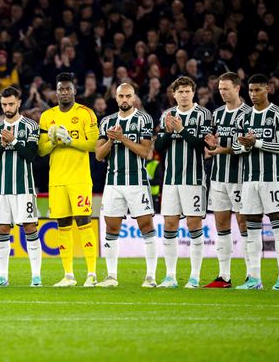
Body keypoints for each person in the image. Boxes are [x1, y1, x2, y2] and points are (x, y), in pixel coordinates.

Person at [37, 72, 99, 287]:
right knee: (62, 224)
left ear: (74, 91)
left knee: (83, 221)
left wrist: (70, 140)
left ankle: (91, 273)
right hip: (57, 180)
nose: (64, 92)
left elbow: (94, 145)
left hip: (79, 179)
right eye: (61, 89)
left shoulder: (86, 113)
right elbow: (42, 150)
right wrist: (55, 141)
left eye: (68, 89)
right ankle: (69, 276)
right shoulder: (47, 116)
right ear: (56, 92)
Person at [94, 83, 157, 288]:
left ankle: (151, 276)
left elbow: (145, 152)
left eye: (128, 96)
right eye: (121, 96)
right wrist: (111, 141)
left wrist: (122, 138)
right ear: (115, 97)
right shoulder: (107, 121)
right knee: (111, 227)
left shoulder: (143, 119)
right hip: (113, 184)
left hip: (137, 182)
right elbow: (99, 155)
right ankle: (111, 276)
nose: (124, 100)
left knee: (146, 226)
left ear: (134, 98)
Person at [233, 74, 279, 290]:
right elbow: (237, 148)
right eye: (250, 91)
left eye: (257, 90)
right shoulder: (243, 118)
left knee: (278, 225)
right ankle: (254, 278)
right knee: (252, 229)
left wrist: (255, 142)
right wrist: (246, 145)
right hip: (248, 181)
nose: (253, 94)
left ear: (268, 89)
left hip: (272, 180)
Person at [154, 76, 212, 289]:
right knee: (169, 225)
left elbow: (201, 146)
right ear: (174, 94)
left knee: (193, 225)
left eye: (188, 91)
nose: (184, 95)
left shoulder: (203, 115)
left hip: (194, 180)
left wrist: (181, 130)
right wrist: (169, 132)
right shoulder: (167, 115)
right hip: (170, 181)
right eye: (180, 92)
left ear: (193, 93)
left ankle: (194, 277)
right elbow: (159, 147)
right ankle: (170, 276)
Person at [0, 86, 43, 287]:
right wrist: (2, 144)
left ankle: (36, 276)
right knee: (1, 230)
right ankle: (2, 276)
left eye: (11, 104)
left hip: (24, 188)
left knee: (30, 228)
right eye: (4, 104)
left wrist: (15, 140)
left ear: (19, 102)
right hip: (1, 189)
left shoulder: (30, 126)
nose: (7, 107)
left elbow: (31, 155)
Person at [202, 72, 252, 288]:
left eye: (226, 88)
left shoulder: (249, 114)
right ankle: (224, 276)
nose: (222, 92)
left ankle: (252, 275)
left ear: (237, 88)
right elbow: (216, 146)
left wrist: (220, 150)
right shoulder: (218, 114)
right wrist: (213, 145)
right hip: (218, 178)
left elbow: (247, 147)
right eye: (220, 89)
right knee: (221, 223)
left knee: (244, 225)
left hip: (240, 178)